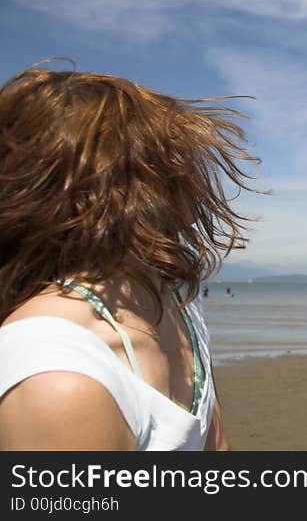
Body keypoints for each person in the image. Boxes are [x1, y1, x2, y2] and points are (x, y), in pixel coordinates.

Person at [0, 63, 260, 450]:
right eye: (174, 164)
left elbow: (216, 445)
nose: (194, 180)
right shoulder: (57, 373)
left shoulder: (175, 295)